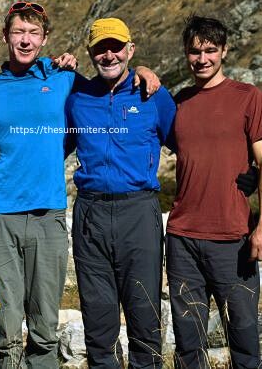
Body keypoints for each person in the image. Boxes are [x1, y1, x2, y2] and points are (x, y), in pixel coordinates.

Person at [0, 2, 160, 368]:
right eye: (18, 32)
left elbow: (109, 86)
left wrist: (144, 70)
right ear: (6, 36)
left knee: (44, 330)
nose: (25, 40)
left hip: (49, 216)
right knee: (5, 329)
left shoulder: (64, 79)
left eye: (33, 33)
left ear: (44, 39)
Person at [166, 15, 262, 369]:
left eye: (210, 50)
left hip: (234, 238)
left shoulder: (248, 97)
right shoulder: (178, 102)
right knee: (187, 340)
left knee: (244, 336)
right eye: (195, 52)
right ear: (186, 54)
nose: (203, 59)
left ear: (224, 51)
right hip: (182, 238)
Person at [64, 18, 175, 368]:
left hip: (139, 212)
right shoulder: (77, 98)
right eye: (100, 48)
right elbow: (52, 147)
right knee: (98, 322)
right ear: (90, 53)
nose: (108, 54)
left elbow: (190, 146)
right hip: (90, 215)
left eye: (116, 47)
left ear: (130, 49)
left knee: (144, 317)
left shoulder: (153, 94)